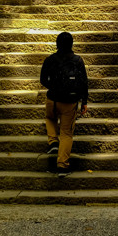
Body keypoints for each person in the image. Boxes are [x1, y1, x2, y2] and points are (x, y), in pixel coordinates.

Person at [40, 31, 89, 176]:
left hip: (52, 100)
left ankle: (53, 142)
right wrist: (84, 101)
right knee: (67, 133)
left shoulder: (50, 60)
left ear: (57, 44)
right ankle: (62, 166)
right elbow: (83, 83)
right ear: (71, 44)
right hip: (70, 102)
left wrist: (54, 87)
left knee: (50, 118)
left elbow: (43, 80)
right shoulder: (77, 60)